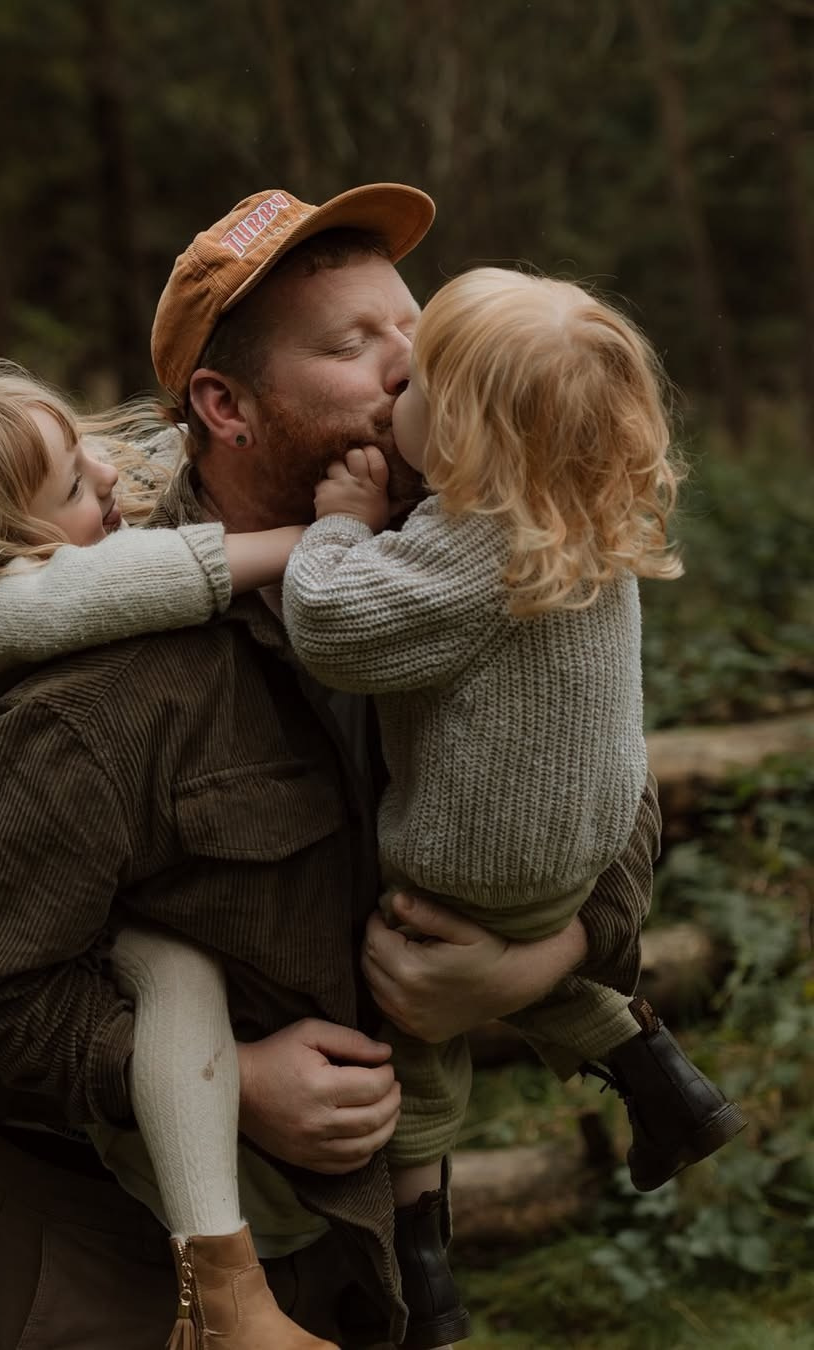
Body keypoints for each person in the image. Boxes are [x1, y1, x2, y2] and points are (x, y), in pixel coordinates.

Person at [0, 184, 654, 1350]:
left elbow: (606, 786)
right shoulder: (108, 684)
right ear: (226, 405)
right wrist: (230, 1081)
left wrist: (542, 955)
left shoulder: (481, 553)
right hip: (116, 1265)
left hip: (353, 1247)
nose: (409, 365)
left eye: (416, 328)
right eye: (353, 346)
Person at [282, 266, 747, 1346]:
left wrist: (344, 524)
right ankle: (665, 1083)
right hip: (581, 852)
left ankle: (423, 1274)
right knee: (530, 973)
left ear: (465, 441)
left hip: (467, 862)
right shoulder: (585, 509)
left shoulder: (469, 540)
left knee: (414, 1033)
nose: (395, 384)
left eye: (418, 386)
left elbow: (339, 627)